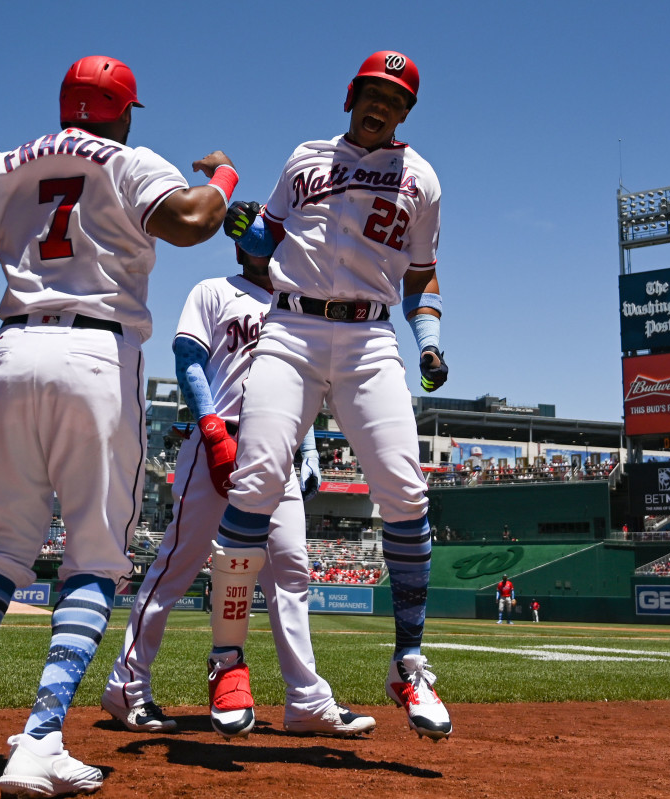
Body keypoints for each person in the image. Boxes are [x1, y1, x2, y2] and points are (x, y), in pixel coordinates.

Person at [0, 55, 238, 796]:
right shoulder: (128, 158)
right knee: (93, 555)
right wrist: (224, 176)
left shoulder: (11, 158)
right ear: (121, 110)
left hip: (13, 349)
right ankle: (41, 738)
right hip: (95, 351)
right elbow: (192, 223)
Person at [213, 50, 452, 741]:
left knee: (406, 491)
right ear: (351, 96)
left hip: (372, 339)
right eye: (373, 92)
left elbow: (423, 276)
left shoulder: (423, 180)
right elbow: (263, 245)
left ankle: (408, 661)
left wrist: (429, 340)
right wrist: (244, 227)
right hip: (289, 327)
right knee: (256, 480)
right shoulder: (305, 158)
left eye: (396, 98)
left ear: (406, 112)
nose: (381, 105)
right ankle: (227, 657)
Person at [102, 238, 374, 740]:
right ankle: (127, 686)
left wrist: (307, 449)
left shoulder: (294, 304)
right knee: (175, 570)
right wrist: (208, 428)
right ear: (244, 248)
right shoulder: (213, 290)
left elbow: (299, 384)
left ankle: (307, 701)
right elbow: (188, 360)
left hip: (277, 448)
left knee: (291, 574)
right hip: (217, 440)